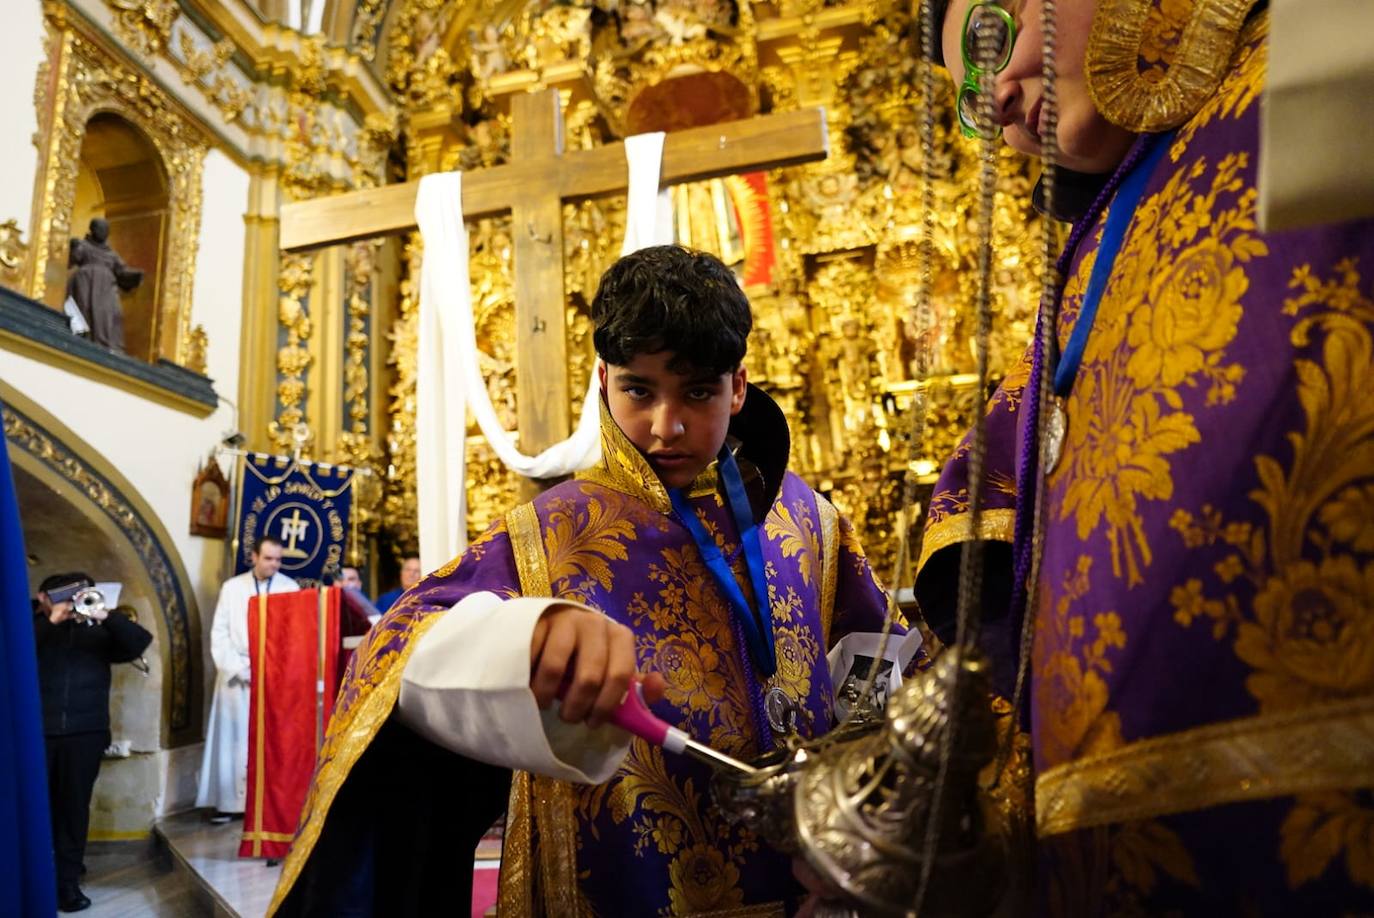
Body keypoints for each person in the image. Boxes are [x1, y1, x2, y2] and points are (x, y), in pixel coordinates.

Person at [271, 246, 904, 916]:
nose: (666, 426)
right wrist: (521, 637)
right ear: (603, 381)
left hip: (814, 884)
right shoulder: (548, 534)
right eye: (640, 391)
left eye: (697, 392)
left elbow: (878, 673)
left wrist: (863, 827)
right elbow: (399, 648)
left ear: (738, 387)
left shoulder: (810, 521)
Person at [916, 0, 1374, 912]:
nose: (994, 101)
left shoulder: (1322, 46)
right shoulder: (1104, 231)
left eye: (993, 40)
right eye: (968, 97)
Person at [33, 572, 152, 913]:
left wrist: (104, 615)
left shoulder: (97, 630)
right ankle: (36, 874)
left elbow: (138, 642)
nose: (73, 603)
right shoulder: (32, 626)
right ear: (43, 598)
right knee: (37, 806)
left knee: (73, 808)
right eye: (65, 595)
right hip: (38, 733)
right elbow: (17, 653)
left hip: (85, 732)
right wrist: (52, 621)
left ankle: (67, 882)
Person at [197, 537, 298, 823]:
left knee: (270, 741)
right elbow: (219, 633)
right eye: (268, 558)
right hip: (236, 674)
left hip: (273, 676)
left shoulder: (289, 588)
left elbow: (293, 635)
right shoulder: (232, 588)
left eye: (278, 559)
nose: (274, 565)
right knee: (234, 739)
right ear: (254, 557)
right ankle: (229, 804)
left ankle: (266, 804)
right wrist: (237, 668)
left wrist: (273, 669)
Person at [65, 218, 143, 353]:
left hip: (106, 288)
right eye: (100, 229)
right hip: (86, 283)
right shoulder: (84, 246)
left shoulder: (111, 254)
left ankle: (108, 343)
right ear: (93, 230)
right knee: (85, 308)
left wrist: (134, 276)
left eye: (106, 230)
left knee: (112, 312)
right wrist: (73, 247)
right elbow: (71, 260)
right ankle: (85, 337)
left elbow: (121, 271)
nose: (103, 232)